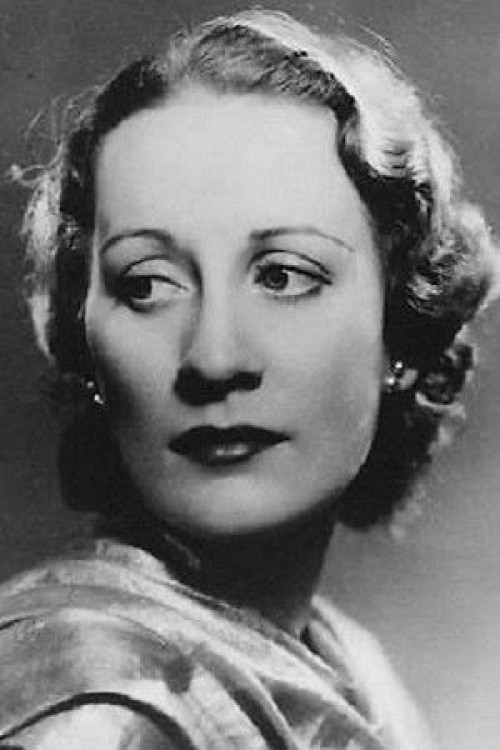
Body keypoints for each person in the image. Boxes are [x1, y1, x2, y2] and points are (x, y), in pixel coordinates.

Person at [0, 8, 497, 749]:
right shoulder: (92, 716)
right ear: (85, 341)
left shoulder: (356, 670)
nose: (214, 357)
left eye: (283, 276)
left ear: (400, 326)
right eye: (147, 285)